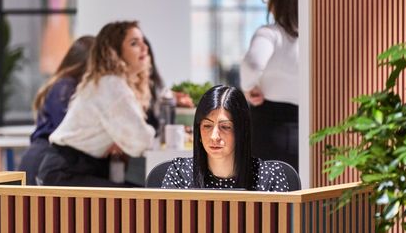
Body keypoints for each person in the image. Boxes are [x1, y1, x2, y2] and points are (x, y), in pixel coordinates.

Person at [37, 21, 156, 186]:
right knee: (142, 201)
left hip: (66, 169)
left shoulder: (106, 82)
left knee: (141, 198)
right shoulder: (112, 85)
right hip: (67, 173)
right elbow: (141, 141)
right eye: (134, 43)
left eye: (143, 41)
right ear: (114, 51)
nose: (144, 48)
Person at [160, 85, 291, 191]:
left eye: (225, 127)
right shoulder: (180, 172)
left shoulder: (269, 176)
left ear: (241, 131)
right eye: (207, 126)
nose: (214, 136)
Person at [239, 0, 299, 171]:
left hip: (267, 127)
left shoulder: (270, 33)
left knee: (266, 201)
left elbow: (253, 63)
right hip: (305, 128)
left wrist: (249, 88)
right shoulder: (313, 37)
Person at [18, 35, 95, 185]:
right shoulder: (65, 87)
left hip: (47, 159)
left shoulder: (67, 86)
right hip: (44, 160)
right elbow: (69, 130)